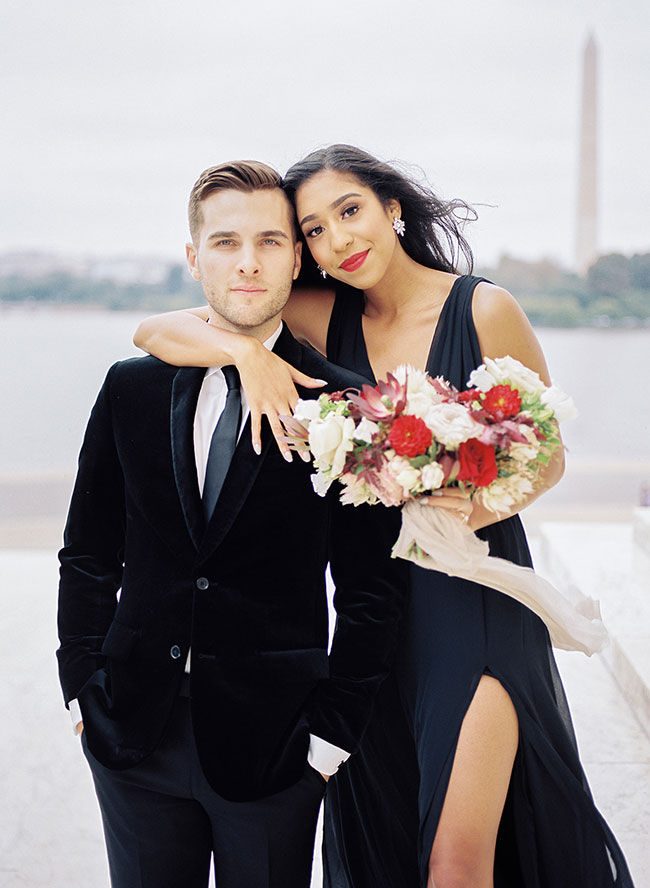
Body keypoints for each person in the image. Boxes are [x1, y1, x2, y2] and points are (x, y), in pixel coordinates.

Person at [133, 145, 635, 888]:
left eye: (350, 211)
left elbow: (550, 457)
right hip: (376, 617)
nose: (337, 240)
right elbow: (155, 330)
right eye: (313, 231)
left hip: (478, 600)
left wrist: (478, 503)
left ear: (391, 207)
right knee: (386, 847)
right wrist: (248, 358)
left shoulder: (483, 308)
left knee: (457, 863)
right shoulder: (318, 313)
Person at [56, 159, 407, 888]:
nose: (247, 262)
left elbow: (372, 588)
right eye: (224, 243)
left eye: (270, 242)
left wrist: (329, 738)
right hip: (131, 734)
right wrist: (81, 689)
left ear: (296, 257)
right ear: (194, 258)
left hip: (277, 747)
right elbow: (89, 553)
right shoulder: (131, 388)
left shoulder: (343, 405)